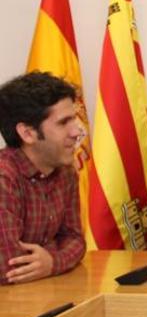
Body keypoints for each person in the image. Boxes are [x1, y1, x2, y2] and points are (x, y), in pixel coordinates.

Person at [0, 71, 85, 285]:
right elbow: (10, 268)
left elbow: (76, 240)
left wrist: (52, 262)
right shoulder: (4, 178)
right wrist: (55, 257)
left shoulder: (65, 172)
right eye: (64, 122)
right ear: (28, 133)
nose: (77, 132)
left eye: (74, 119)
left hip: (43, 293)